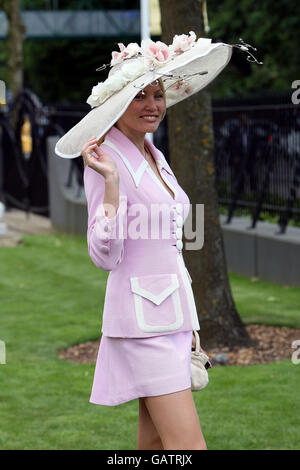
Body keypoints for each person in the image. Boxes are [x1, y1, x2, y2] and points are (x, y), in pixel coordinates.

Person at [54, 33, 258, 450]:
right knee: (188, 447)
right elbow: (103, 254)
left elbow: (170, 247)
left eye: (158, 94)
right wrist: (110, 183)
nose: (153, 105)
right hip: (143, 327)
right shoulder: (105, 159)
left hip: (173, 317)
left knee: (153, 448)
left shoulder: (154, 154)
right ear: (118, 104)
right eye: (140, 96)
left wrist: (190, 321)